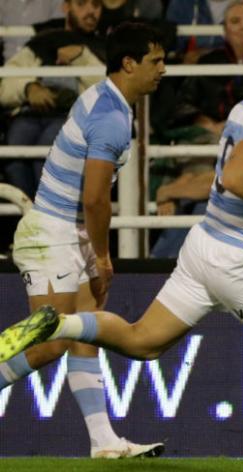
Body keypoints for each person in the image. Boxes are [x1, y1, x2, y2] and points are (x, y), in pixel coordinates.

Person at [0, 29, 243, 472]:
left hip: (203, 249)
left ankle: (61, 322)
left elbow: (237, 170)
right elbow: (237, 178)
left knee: (143, 342)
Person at [0, 22, 164, 459]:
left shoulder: (107, 98)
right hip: (51, 232)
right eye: (156, 61)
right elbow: (95, 199)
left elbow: (88, 200)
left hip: (67, 231)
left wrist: (91, 255)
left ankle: (105, 443)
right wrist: (104, 257)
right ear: (129, 64)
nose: (163, 69)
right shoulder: (110, 116)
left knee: (84, 336)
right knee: (50, 343)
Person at [152, 0, 243, 258]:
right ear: (224, 29)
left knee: (200, 210)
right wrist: (205, 123)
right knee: (198, 204)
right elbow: (182, 106)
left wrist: (233, 130)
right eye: (235, 22)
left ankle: (174, 192)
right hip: (207, 144)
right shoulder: (209, 61)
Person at [0, 0, 106, 198]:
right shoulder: (42, 41)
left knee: (49, 155)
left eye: (97, 5)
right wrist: (29, 88)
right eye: (82, 4)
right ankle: (32, 219)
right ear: (66, 7)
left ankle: (46, 222)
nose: (91, 11)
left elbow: (108, 92)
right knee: (14, 152)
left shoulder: (104, 46)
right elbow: (6, 82)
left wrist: (81, 56)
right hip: (30, 113)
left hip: (70, 117)